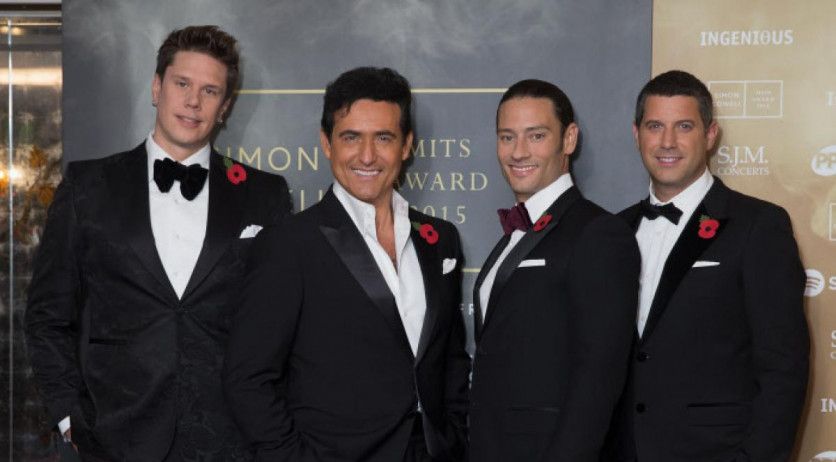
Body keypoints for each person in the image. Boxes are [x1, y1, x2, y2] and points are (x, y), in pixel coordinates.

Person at [25, 25, 291, 461]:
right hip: (113, 438)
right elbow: (47, 316)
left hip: (231, 440)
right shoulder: (88, 185)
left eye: (210, 91)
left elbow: (281, 325)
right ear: (156, 88)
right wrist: (69, 415)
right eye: (182, 84)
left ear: (224, 107)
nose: (193, 101)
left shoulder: (265, 195)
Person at [223, 66, 470, 462]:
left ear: (406, 145)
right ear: (327, 143)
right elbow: (248, 379)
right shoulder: (289, 244)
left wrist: (453, 436)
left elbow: (451, 360)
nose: (367, 156)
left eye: (383, 138)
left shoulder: (439, 239)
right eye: (351, 137)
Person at [602, 70, 809, 462]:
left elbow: (784, 368)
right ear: (636, 134)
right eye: (655, 126)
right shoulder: (612, 232)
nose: (667, 142)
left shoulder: (757, 225)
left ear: (710, 134)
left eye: (684, 126)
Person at [468, 79, 640, 461]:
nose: (519, 152)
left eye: (536, 136)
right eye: (507, 137)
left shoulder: (598, 233)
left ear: (569, 139)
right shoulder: (511, 237)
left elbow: (598, 378)